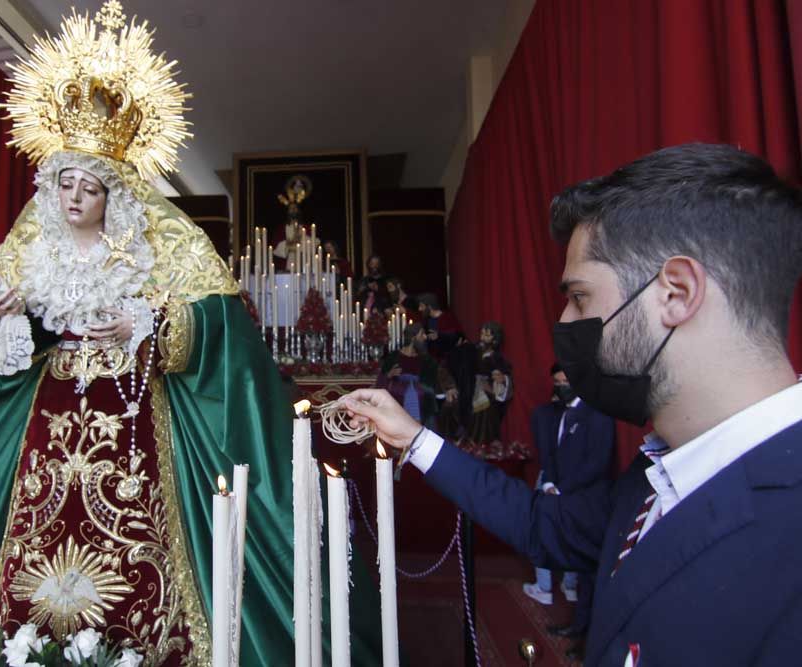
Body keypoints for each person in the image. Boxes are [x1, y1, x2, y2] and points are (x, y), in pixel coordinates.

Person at [0, 5, 382, 666]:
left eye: (88, 187)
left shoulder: (165, 239)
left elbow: (223, 328)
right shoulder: (31, 237)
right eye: (63, 182)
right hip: (41, 423)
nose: (72, 197)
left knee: (153, 547)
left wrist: (153, 326)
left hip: (137, 415)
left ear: (114, 194)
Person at [342, 144, 802, 666]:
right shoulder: (659, 471)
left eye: (580, 297)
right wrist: (413, 437)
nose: (563, 323)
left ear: (676, 293)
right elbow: (544, 526)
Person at [524, 364, 615, 662]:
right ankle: (579, 627)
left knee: (590, 570)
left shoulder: (597, 414)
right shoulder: (558, 413)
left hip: (587, 502)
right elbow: (551, 453)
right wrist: (549, 481)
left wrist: (563, 488)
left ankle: (587, 633)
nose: (560, 386)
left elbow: (598, 463)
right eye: (557, 381)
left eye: (565, 381)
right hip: (561, 494)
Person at [375, 323, 456, 429]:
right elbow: (380, 382)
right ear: (413, 338)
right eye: (422, 334)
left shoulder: (425, 359)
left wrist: (449, 387)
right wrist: (389, 375)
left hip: (424, 406)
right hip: (398, 407)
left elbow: (440, 372)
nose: (425, 337)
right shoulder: (394, 357)